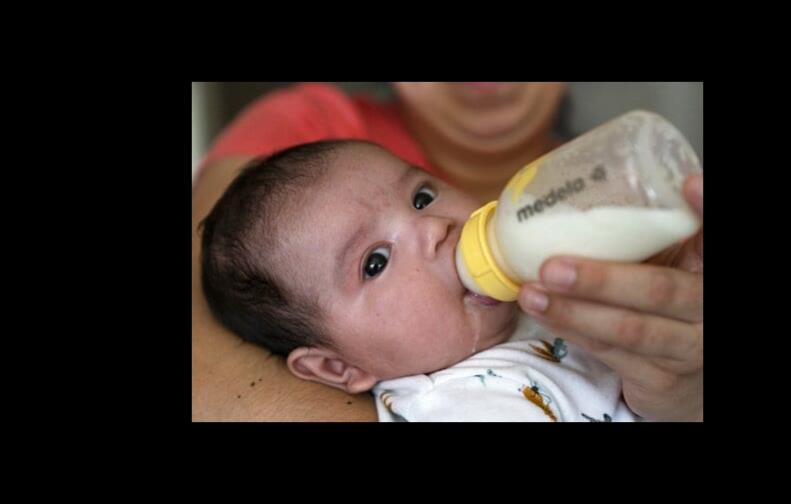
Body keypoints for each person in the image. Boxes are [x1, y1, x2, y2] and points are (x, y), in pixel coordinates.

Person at [191, 82, 702, 421]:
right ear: (337, 370)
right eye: (375, 262)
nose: (434, 228)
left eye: (422, 197)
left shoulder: (559, 293)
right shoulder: (457, 405)